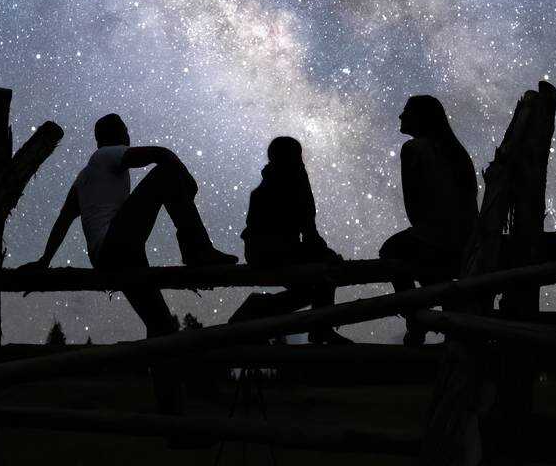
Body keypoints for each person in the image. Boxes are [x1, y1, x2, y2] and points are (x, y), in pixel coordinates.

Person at [21, 113, 237, 338]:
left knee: (162, 325)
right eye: (126, 130)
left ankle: (155, 371)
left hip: (111, 258)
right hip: (117, 246)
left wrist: (44, 260)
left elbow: (62, 221)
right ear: (119, 133)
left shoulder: (83, 177)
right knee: (165, 172)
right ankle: (197, 250)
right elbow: (160, 154)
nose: (128, 135)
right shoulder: (106, 155)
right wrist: (187, 179)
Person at [375, 94, 479, 342]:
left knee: (391, 251)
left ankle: (416, 319)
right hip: (468, 235)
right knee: (428, 265)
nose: (400, 116)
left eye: (407, 112)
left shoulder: (414, 148)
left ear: (421, 118)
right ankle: (444, 310)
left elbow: (416, 208)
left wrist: (430, 228)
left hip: (440, 236)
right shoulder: (455, 149)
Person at [234, 135, 350, 344]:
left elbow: (307, 230)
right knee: (324, 272)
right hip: (273, 251)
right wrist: (324, 253)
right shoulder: (287, 184)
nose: (301, 161)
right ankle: (321, 327)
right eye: (298, 156)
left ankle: (259, 306)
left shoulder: (272, 184)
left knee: (310, 288)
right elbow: (308, 230)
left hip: (267, 251)